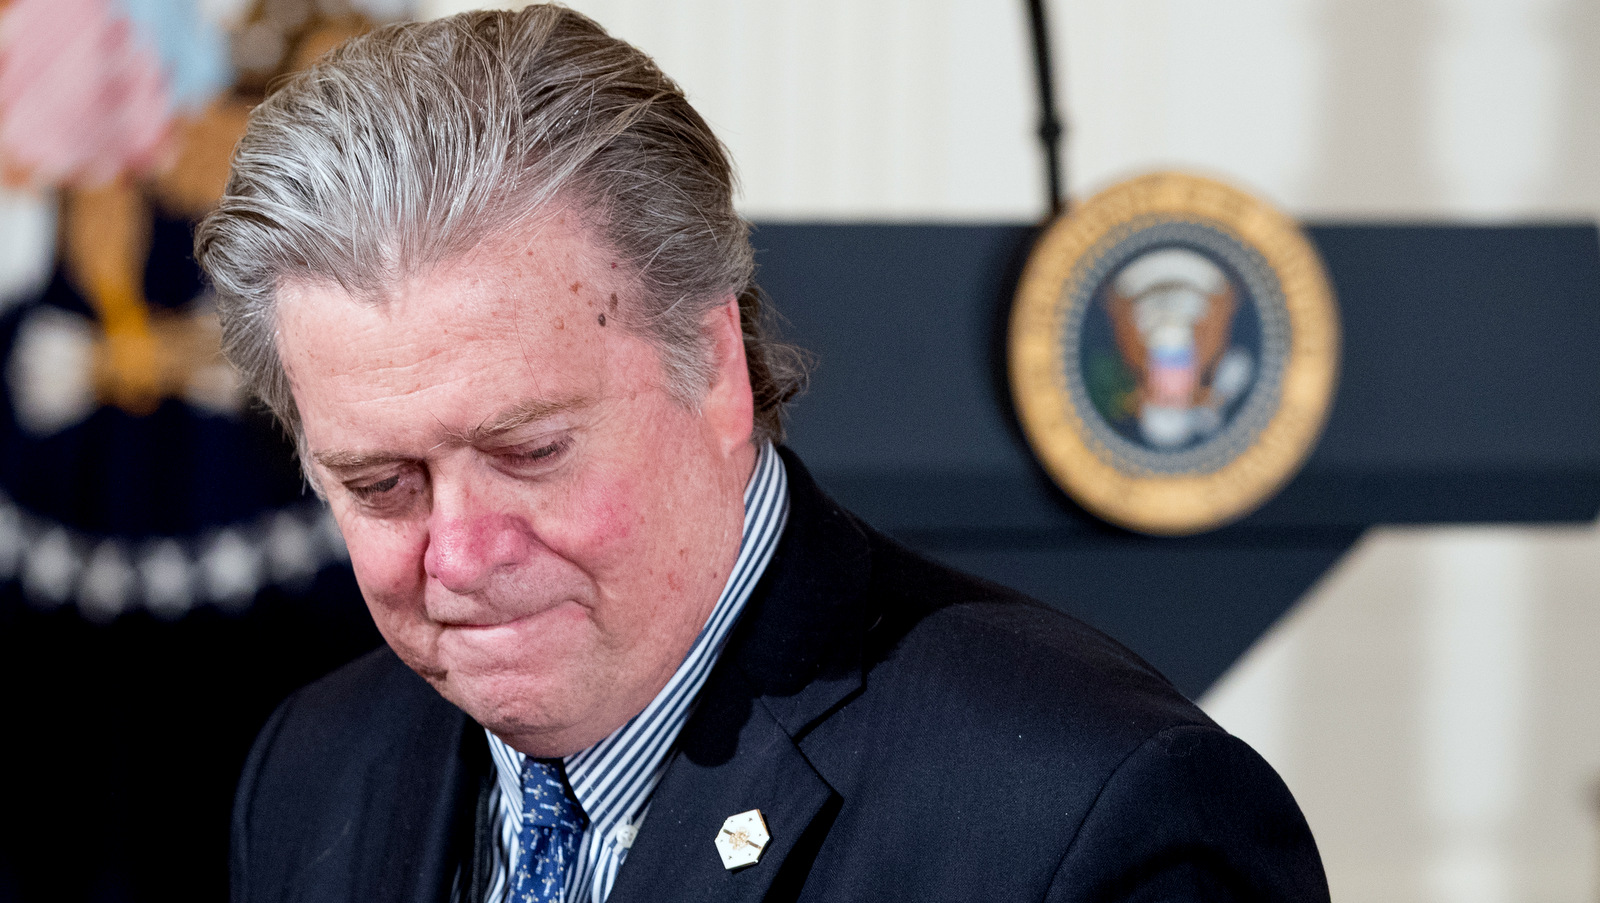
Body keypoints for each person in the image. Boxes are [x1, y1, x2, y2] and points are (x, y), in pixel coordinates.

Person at [196, 7, 1330, 902]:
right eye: (381, 486)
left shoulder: (1091, 814)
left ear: (717, 363)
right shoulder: (308, 771)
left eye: (531, 450)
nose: (459, 556)